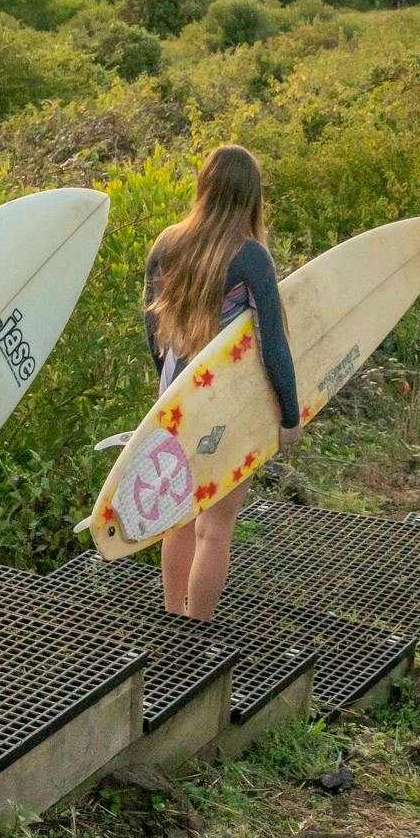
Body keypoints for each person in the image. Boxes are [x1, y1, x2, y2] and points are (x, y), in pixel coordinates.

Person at [142, 143, 301, 623]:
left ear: (204, 186)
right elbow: (274, 344)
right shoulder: (251, 257)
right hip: (230, 407)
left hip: (177, 401)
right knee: (217, 526)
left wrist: (165, 390)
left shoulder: (166, 244)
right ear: (251, 197)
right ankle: (198, 627)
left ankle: (173, 621)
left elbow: (152, 331)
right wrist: (290, 416)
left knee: (180, 519)